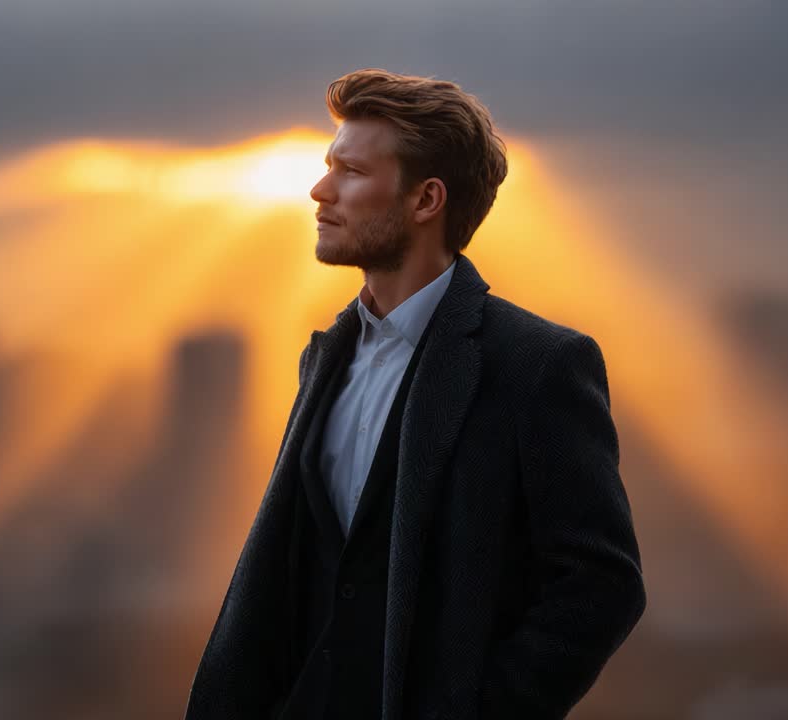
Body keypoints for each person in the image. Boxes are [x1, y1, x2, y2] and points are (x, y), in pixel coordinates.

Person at [183, 68, 646, 720]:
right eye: (327, 167)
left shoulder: (538, 364)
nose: (320, 191)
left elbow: (602, 585)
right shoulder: (325, 357)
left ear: (426, 200)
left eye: (350, 171)